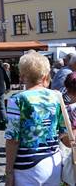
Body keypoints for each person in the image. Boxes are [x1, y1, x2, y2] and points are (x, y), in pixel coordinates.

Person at [5, 51, 71, 186]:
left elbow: (12, 139)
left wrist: (9, 171)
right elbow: (64, 133)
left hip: (27, 163)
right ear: (45, 74)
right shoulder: (56, 97)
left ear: (22, 76)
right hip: (53, 161)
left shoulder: (17, 99)